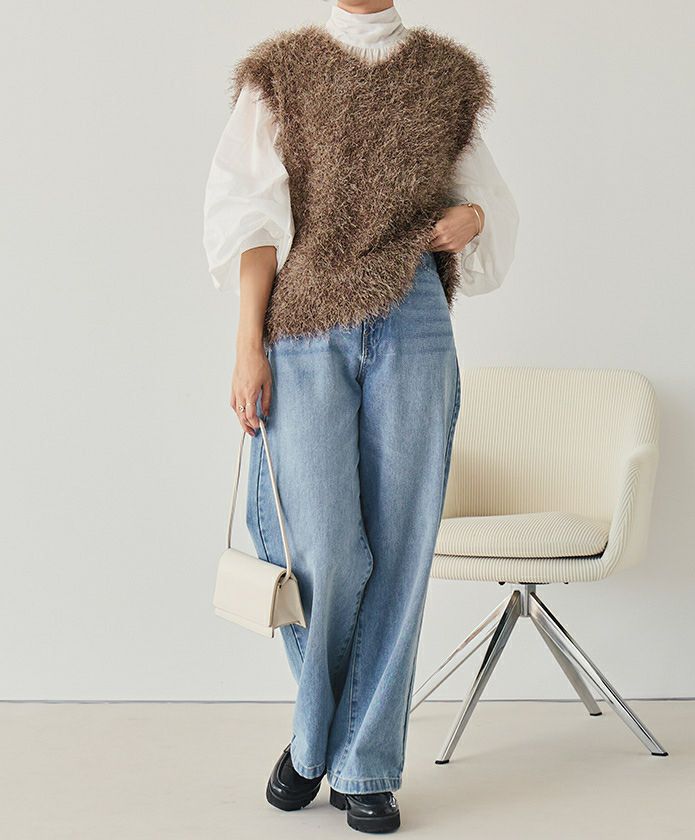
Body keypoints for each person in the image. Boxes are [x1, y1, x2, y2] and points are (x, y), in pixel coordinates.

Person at [203, 1, 519, 833]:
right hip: (305, 323)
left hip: (414, 319)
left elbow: (485, 202)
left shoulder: (447, 75)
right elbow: (251, 219)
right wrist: (246, 345)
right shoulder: (280, 72)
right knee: (323, 552)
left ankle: (363, 765)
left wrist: (474, 218)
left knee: (403, 548)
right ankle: (320, 740)